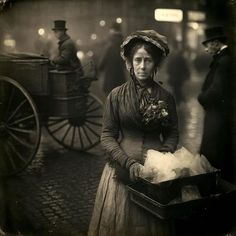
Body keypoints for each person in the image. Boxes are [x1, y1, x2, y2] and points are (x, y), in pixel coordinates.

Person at [88, 30, 179, 236]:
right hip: (122, 169)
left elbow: (173, 132)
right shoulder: (116, 96)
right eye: (137, 60)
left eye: (148, 60)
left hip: (156, 174)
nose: (142, 66)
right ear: (129, 63)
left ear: (155, 64)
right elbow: (107, 135)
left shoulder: (166, 97)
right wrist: (129, 163)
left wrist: (162, 157)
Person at [198, 26, 233, 181]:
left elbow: (215, 92)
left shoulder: (224, 61)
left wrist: (201, 97)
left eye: (207, 45)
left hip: (218, 119)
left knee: (214, 156)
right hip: (218, 116)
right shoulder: (223, 59)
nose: (206, 50)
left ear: (216, 43)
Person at [98, 21, 127, 96]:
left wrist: (100, 67)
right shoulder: (123, 42)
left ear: (113, 30)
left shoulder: (110, 42)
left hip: (111, 74)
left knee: (111, 96)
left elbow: (105, 56)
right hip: (120, 74)